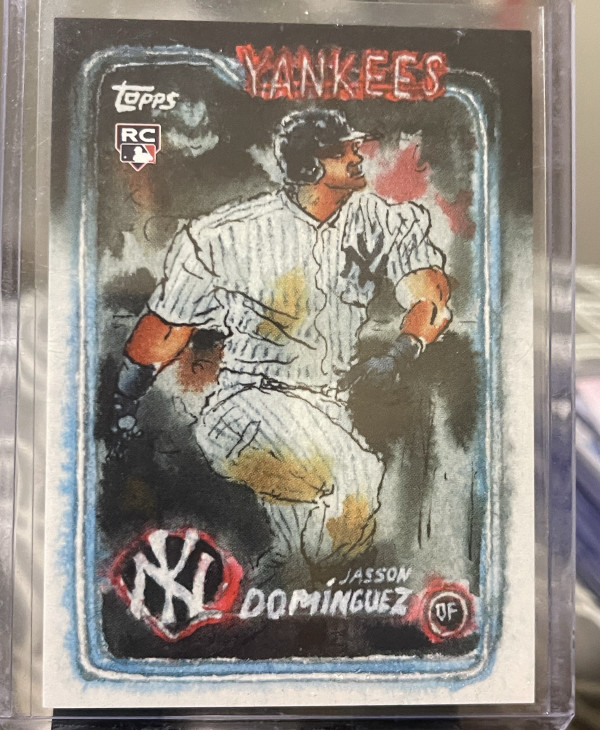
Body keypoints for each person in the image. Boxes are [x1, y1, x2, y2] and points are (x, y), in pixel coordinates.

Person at [108, 108, 452, 584]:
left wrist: (401, 352)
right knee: (352, 476)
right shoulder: (228, 233)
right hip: (246, 403)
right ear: (309, 165)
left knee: (326, 542)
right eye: (343, 151)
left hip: (327, 406)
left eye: (356, 147)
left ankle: (282, 574)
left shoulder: (378, 219)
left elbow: (431, 296)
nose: (358, 157)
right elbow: (166, 329)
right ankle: (293, 569)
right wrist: (123, 399)